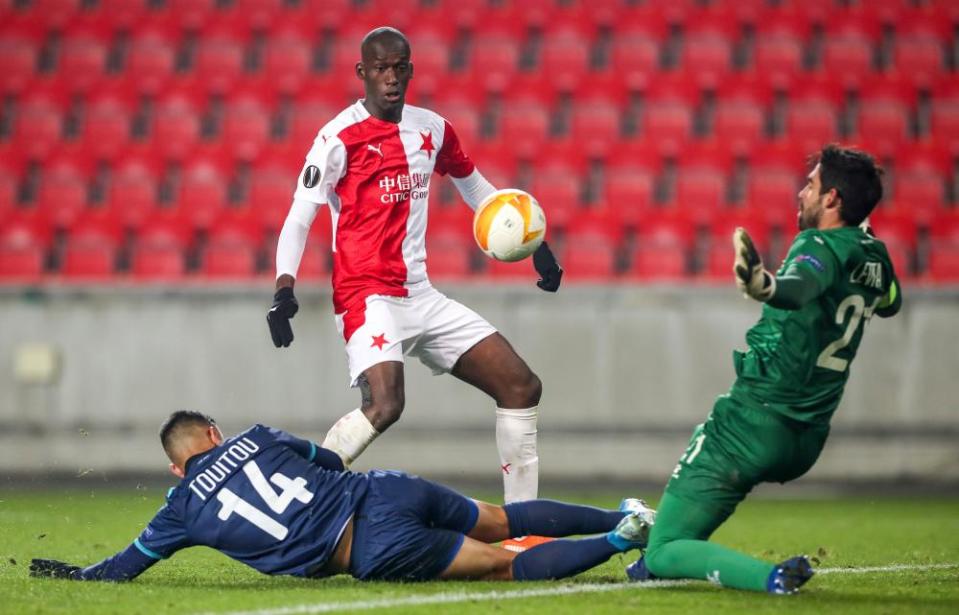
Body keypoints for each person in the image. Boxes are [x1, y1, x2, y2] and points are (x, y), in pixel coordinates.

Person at [265, 27, 562, 549]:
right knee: (385, 404)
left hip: (421, 295)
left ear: (411, 70)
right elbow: (299, 216)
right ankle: (305, 509)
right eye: (380, 68)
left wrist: (532, 242)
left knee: (521, 386)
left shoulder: (433, 130)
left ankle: (522, 532)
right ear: (362, 74)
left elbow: (475, 187)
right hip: (366, 295)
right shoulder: (337, 138)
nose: (391, 77)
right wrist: (283, 289)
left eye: (400, 66)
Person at [626, 145, 902, 594]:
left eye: (810, 185)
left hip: (752, 423)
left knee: (665, 548)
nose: (801, 193)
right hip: (807, 438)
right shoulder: (875, 254)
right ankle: (658, 563)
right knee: (666, 548)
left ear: (832, 199)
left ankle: (767, 578)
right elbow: (891, 303)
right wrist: (861, 246)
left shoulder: (818, 243)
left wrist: (764, 284)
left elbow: (797, 288)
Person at [30, 411, 654, 584]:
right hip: (385, 490)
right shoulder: (258, 436)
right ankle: (624, 514)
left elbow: (126, 565)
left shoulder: (179, 510)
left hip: (369, 546)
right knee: (502, 519)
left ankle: (615, 542)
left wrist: (77, 574)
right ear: (215, 433)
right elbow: (327, 459)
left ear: (175, 467)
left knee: (502, 563)